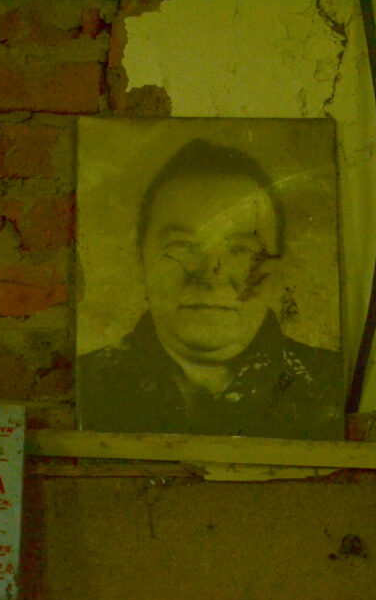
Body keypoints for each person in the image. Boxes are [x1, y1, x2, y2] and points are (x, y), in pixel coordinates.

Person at [77, 138, 343, 439]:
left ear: (276, 268)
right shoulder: (82, 386)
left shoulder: (332, 382)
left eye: (241, 250)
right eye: (181, 246)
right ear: (142, 259)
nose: (210, 276)